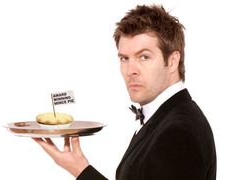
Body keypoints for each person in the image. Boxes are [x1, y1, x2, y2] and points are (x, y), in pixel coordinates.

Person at [33, 4, 216, 180]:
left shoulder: (178, 133)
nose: (131, 70)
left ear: (173, 61)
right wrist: (80, 167)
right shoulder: (167, 117)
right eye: (124, 58)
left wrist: (81, 171)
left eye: (144, 57)